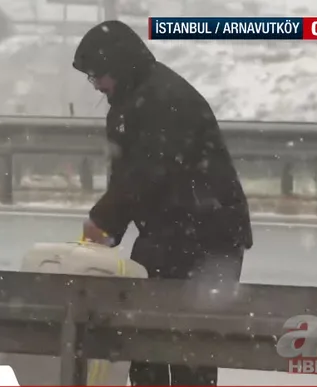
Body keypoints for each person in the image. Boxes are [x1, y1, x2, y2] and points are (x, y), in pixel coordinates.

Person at [72, 20, 253, 386]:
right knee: (142, 335)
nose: (96, 85)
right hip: (167, 231)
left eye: (97, 75)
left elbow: (148, 170)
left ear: (118, 66)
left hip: (209, 234)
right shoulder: (126, 103)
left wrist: (105, 220)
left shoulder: (165, 98)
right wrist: (110, 227)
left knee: (191, 344)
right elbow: (125, 173)